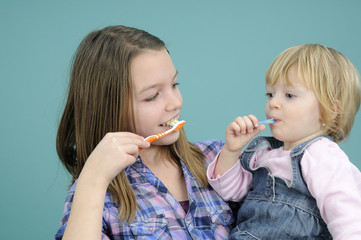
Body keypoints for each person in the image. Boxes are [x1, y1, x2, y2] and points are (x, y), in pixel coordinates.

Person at [55, 25, 234, 240]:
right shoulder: (93, 192)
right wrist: (93, 180)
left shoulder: (220, 161)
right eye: (152, 96)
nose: (176, 103)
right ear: (108, 106)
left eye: (175, 84)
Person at [207, 44, 361, 239]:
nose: (273, 103)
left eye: (289, 95)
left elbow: (347, 217)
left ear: (330, 110)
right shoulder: (264, 153)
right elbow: (231, 192)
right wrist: (231, 150)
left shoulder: (322, 155)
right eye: (270, 94)